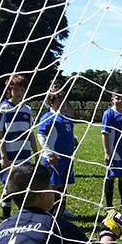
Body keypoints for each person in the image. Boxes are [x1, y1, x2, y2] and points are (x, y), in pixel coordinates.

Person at [0, 74, 38, 220]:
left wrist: (36, 154)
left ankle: (22, 218)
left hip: (25, 156)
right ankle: (6, 219)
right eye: (15, 89)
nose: (18, 92)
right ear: (9, 90)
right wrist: (3, 156)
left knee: (23, 187)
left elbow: (31, 134)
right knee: (8, 187)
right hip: (10, 156)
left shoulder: (27, 110)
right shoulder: (3, 108)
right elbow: (0, 134)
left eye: (22, 89)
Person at [37, 88, 78, 217]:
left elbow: (66, 134)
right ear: (51, 102)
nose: (63, 103)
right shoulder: (48, 117)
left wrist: (73, 140)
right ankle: (50, 211)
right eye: (59, 100)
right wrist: (49, 154)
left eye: (64, 100)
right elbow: (41, 136)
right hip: (55, 158)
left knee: (63, 184)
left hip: (67, 158)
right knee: (53, 185)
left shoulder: (67, 117)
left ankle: (62, 209)